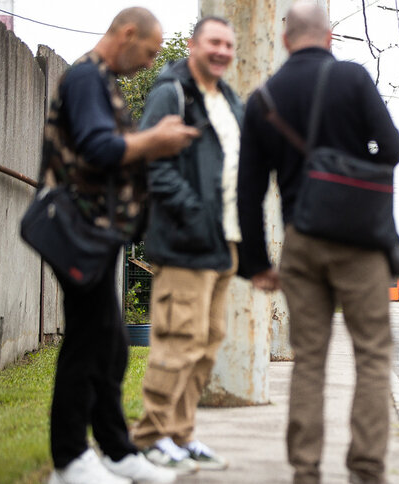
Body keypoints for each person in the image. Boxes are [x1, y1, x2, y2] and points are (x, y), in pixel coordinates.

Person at [237, 3, 399, 483]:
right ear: (329, 38)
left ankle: (305, 471)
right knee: (371, 352)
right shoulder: (353, 79)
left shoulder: (263, 99)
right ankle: (367, 468)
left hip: (302, 240)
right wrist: (352, 166)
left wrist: (258, 264)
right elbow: (391, 148)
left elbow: (248, 192)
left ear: (285, 40)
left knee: (309, 358)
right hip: (360, 242)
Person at [43, 7, 199, 484]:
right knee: (88, 343)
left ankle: (115, 450)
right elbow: (97, 147)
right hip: (77, 230)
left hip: (96, 231)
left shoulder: (102, 80)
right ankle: (69, 460)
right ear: (127, 33)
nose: (151, 63)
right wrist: (156, 138)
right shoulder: (87, 80)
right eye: (151, 52)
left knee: (109, 345)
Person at [130, 16, 242, 475]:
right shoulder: (171, 93)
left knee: (207, 342)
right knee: (178, 339)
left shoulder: (228, 99)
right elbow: (152, 164)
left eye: (228, 45)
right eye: (214, 42)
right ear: (195, 45)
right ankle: (149, 437)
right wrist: (195, 214)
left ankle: (181, 434)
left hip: (224, 242)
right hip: (183, 241)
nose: (221, 51)